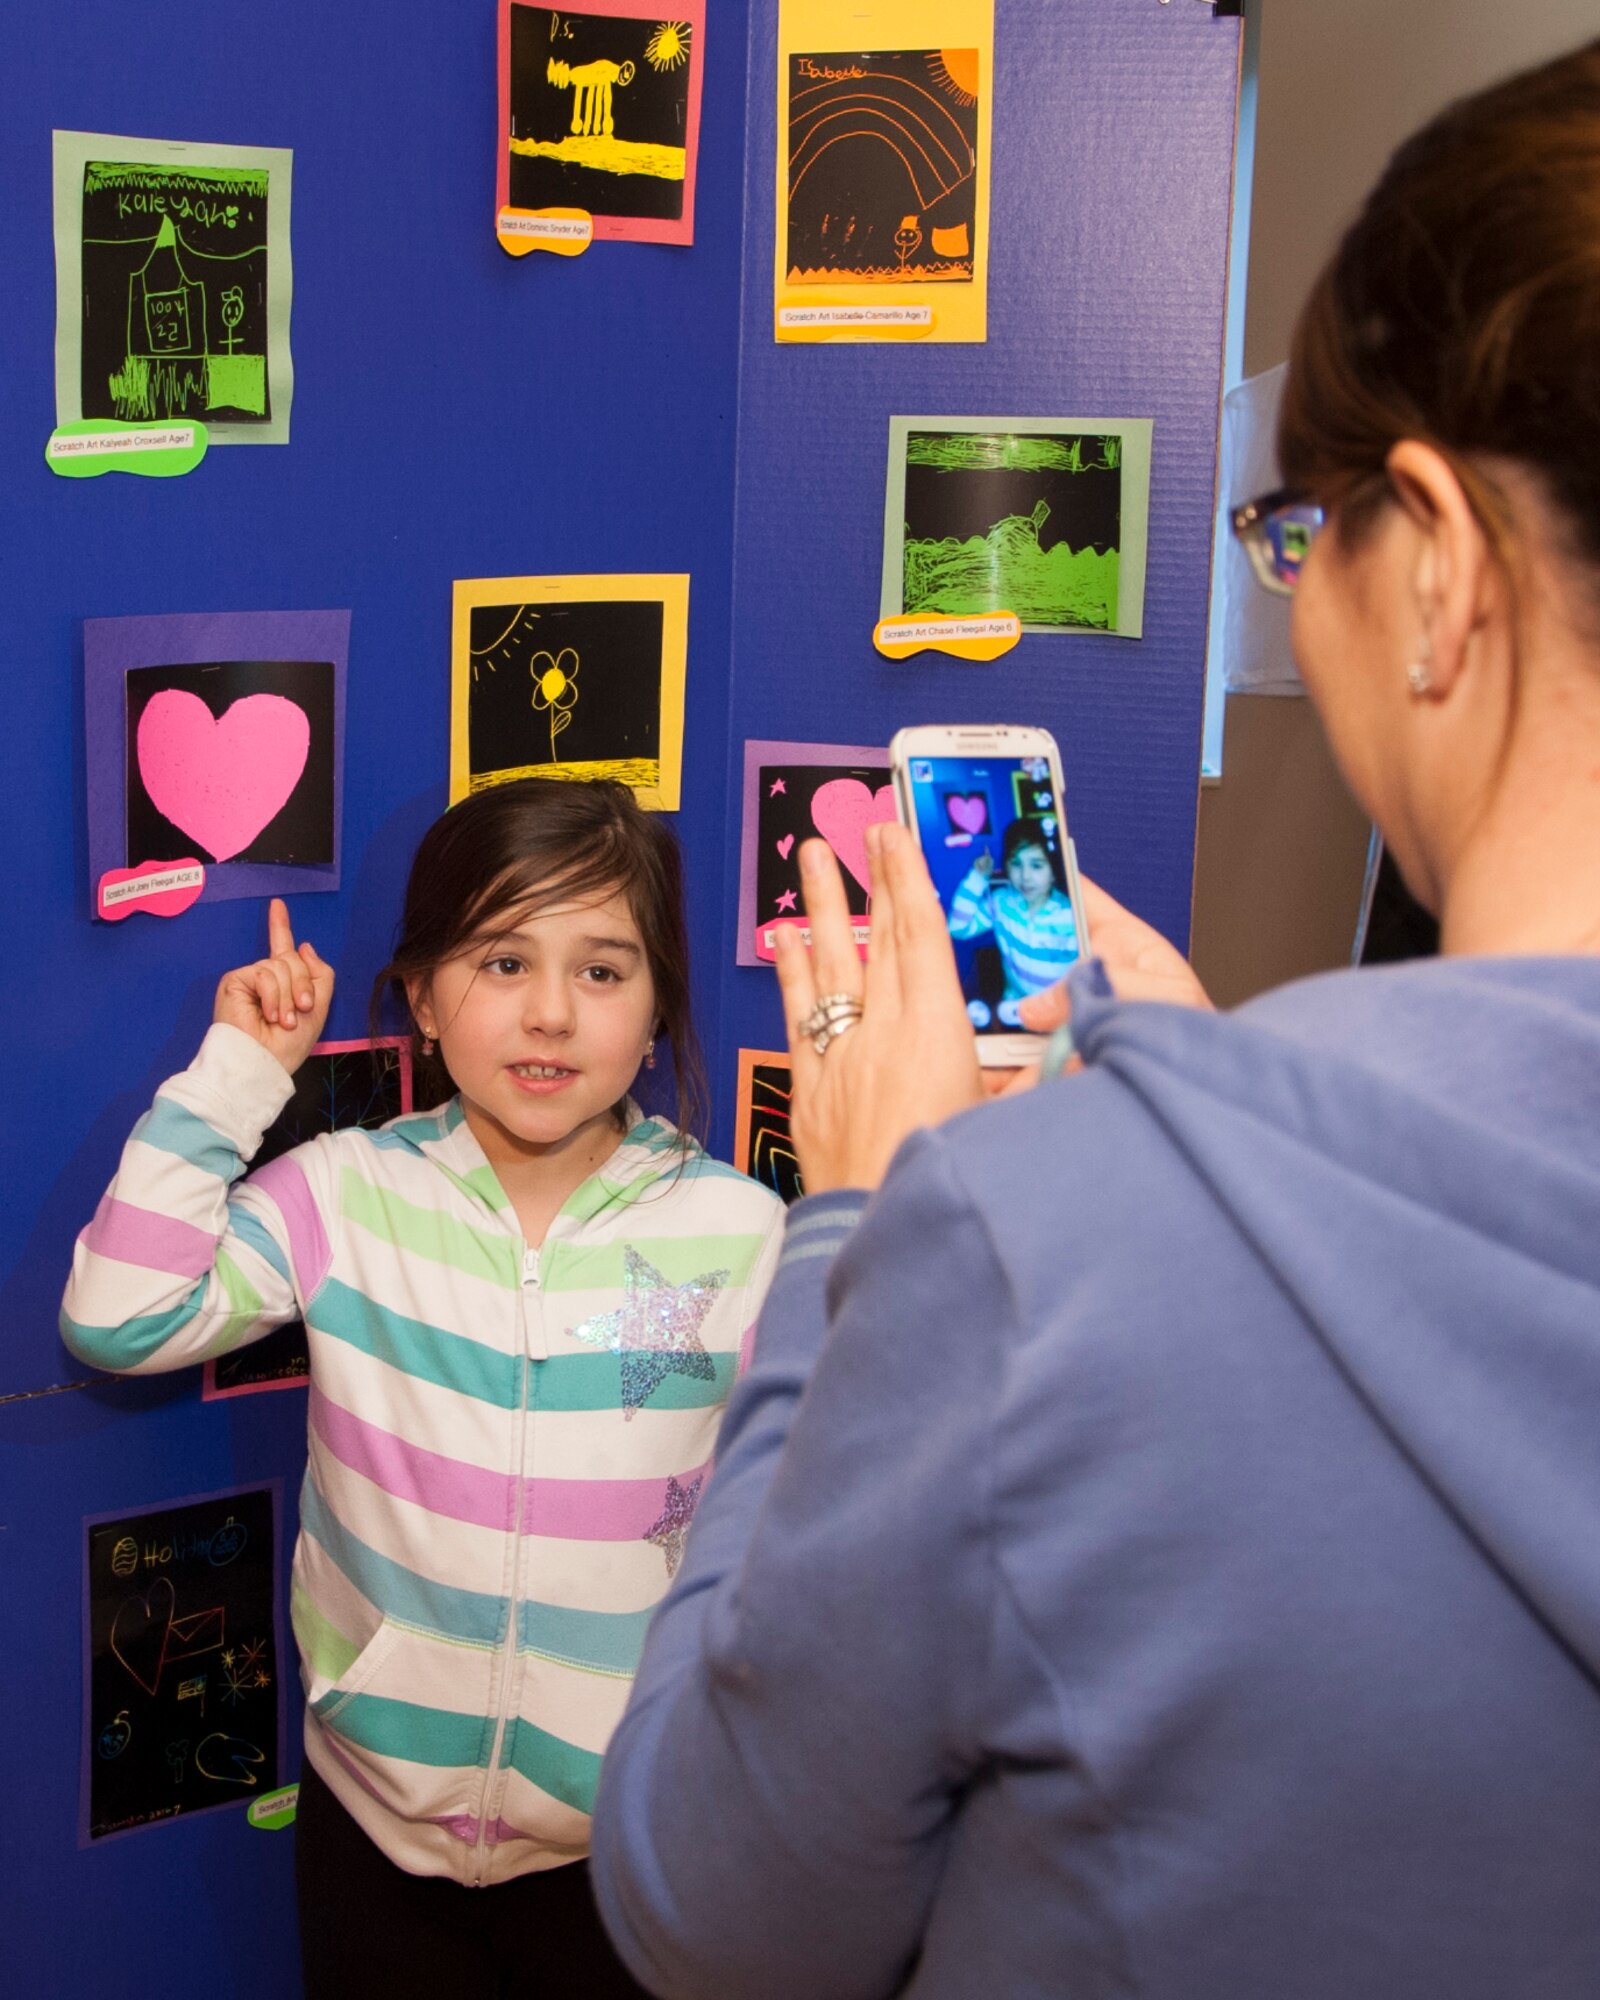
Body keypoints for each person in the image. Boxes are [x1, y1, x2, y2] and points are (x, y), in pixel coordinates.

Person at [591, 41, 1600, 2000]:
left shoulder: (1033, 1234)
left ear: (1436, 569)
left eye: (1290, 535)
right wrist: (1232, 1114)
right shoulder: (1155, 1182)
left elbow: (704, 1906)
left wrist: (859, 1226)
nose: (1289, 596)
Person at [61, 778, 784, 1998]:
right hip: (373, 1830)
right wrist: (244, 1071)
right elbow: (118, 1313)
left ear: (659, 1008)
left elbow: (811, 1528)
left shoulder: (741, 1230)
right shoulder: (348, 1193)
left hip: (631, 1848)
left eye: (604, 970)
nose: (551, 1013)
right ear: (421, 998)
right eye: (503, 959)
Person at [946, 814, 1080, 1003]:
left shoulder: (1071, 914)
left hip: (1060, 1015)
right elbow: (957, 929)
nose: (1025, 876)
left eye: (1036, 865)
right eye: (1016, 864)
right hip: (1017, 1010)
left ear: (1053, 870)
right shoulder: (1000, 902)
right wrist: (977, 877)